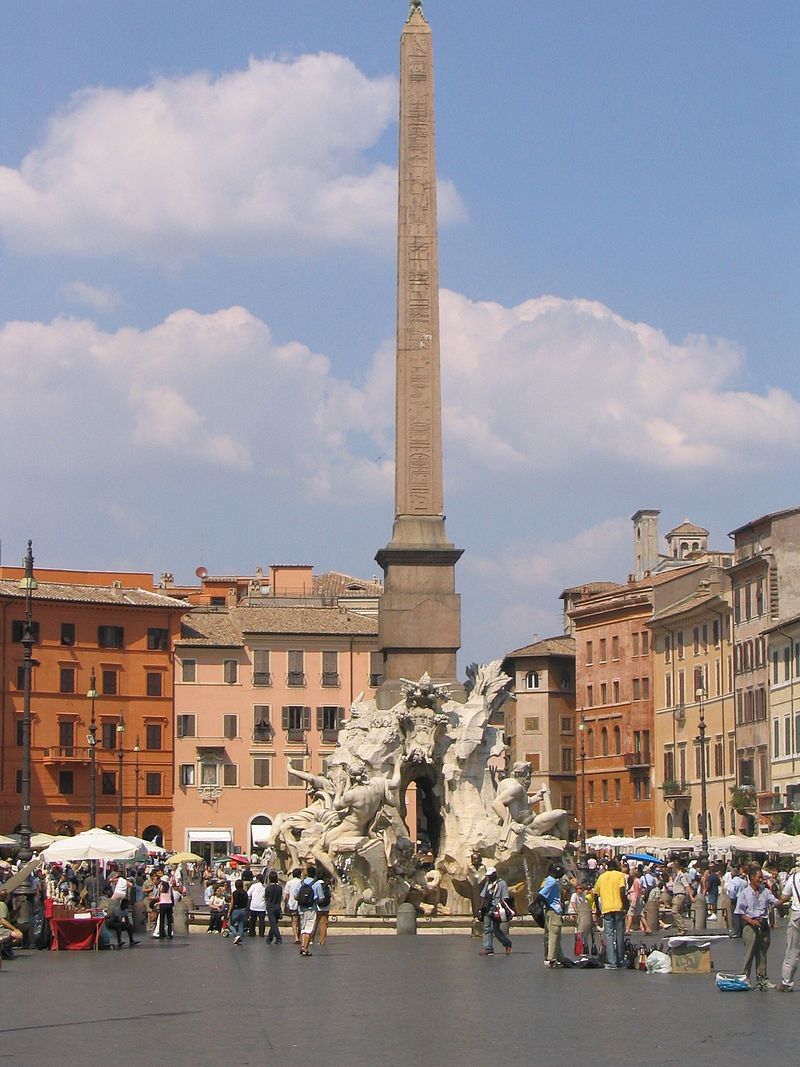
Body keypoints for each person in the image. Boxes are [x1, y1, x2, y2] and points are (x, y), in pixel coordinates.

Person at [734, 863, 777, 990]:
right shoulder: (744, 893)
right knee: (749, 953)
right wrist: (751, 921)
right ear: (751, 877)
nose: (761, 879)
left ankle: (762, 978)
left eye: (762, 877)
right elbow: (739, 912)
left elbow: (775, 902)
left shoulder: (765, 891)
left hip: (763, 925)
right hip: (750, 926)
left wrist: (787, 898)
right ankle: (745, 977)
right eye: (759, 877)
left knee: (762, 953)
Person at [594, 858, 627, 969]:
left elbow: (595, 894)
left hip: (606, 908)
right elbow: (622, 891)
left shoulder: (601, 877)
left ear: (607, 867)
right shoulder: (620, 875)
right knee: (620, 934)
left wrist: (598, 909)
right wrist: (625, 905)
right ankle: (620, 960)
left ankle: (611, 961)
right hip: (618, 907)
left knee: (608, 935)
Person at [775, 864, 800, 991]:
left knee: (792, 950)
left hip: (797, 916)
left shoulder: (794, 878)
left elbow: (784, 897)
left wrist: (774, 904)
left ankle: (787, 982)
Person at [478, 867, 512, 957]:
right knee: (487, 928)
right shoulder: (487, 884)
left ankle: (507, 943)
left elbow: (505, 897)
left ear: (495, 874)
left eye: (490, 875)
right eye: (488, 875)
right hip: (487, 908)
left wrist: (503, 908)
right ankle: (488, 948)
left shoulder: (502, 883)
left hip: (497, 908)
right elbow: (483, 896)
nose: (489, 877)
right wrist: (480, 909)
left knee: (495, 929)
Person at [539, 863, 564, 966]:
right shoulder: (552, 882)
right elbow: (542, 894)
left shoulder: (548, 880)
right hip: (554, 910)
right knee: (554, 935)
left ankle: (559, 956)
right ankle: (552, 958)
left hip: (549, 910)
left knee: (553, 934)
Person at [297, 864, 320, 957]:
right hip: (311, 909)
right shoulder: (316, 884)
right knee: (309, 929)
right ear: (314, 874)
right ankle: (305, 948)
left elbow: (295, 896)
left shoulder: (301, 883)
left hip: (301, 909)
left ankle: (302, 945)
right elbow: (320, 897)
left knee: (303, 928)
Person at [669, 860, 694, 933]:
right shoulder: (677, 876)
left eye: (672, 868)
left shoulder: (681, 875)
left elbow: (687, 886)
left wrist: (691, 897)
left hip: (680, 895)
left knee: (674, 911)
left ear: (675, 868)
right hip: (676, 895)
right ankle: (681, 929)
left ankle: (683, 927)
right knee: (678, 912)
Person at [626, 865, 651, 935]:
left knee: (630, 914)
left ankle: (628, 929)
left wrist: (634, 901)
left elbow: (636, 891)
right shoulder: (639, 880)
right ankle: (647, 928)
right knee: (640, 914)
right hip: (639, 898)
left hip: (635, 899)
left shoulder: (636, 881)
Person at [284, 867, 302, 945]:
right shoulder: (302, 882)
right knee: (300, 921)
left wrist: (285, 904)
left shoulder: (289, 883)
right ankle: (298, 935)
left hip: (292, 904)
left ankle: (296, 937)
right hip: (301, 904)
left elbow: (286, 895)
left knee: (294, 921)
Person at [314, 872, 332, 946]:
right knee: (323, 924)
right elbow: (330, 896)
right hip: (326, 908)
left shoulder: (315, 885)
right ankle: (322, 940)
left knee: (314, 923)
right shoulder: (327, 886)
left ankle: (311, 939)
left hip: (317, 907)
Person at [264, 871, 283, 944]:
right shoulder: (279, 888)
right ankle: (270, 938)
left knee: (273, 924)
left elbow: (266, 898)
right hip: (277, 906)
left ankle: (279, 938)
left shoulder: (268, 888)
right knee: (274, 923)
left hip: (270, 907)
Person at [229, 879, 249, 945]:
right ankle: (240, 939)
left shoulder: (234, 893)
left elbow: (232, 903)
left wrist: (229, 912)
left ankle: (236, 935)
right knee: (241, 924)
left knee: (230, 924)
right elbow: (247, 902)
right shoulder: (245, 893)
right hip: (243, 910)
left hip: (236, 910)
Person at [247, 873, 267, 937]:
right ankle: (261, 933)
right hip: (262, 906)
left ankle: (252, 932)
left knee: (252, 920)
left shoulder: (253, 886)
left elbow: (248, 894)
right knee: (261, 921)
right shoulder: (265, 887)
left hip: (254, 905)